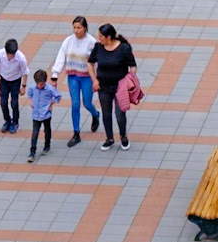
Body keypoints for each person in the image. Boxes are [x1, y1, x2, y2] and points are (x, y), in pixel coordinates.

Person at [50, 16, 101, 145]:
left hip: (87, 77)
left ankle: (95, 114)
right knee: (75, 104)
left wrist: (98, 78)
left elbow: (98, 61)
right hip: (73, 76)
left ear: (85, 28)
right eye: (74, 27)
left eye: (79, 28)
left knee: (87, 103)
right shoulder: (68, 41)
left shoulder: (92, 42)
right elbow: (61, 56)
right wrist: (55, 74)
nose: (76, 30)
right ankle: (76, 132)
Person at [89, 22, 138, 149]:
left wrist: (130, 81)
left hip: (120, 87)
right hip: (103, 87)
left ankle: (123, 136)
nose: (99, 38)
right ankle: (109, 138)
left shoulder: (123, 48)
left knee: (120, 114)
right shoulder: (98, 47)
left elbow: (132, 66)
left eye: (101, 36)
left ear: (109, 37)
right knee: (106, 113)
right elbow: (90, 63)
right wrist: (94, 80)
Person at [0, 37, 29, 134]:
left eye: (12, 55)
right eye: (9, 54)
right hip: (4, 80)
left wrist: (23, 86)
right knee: (3, 102)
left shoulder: (21, 59)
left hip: (15, 81)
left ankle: (15, 122)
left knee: (14, 103)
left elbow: (25, 72)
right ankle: (7, 120)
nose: (10, 57)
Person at [27, 69, 62, 163]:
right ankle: (32, 152)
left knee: (47, 130)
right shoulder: (32, 88)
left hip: (46, 114)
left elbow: (58, 96)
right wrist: (31, 101)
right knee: (35, 133)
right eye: (38, 84)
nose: (40, 86)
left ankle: (47, 145)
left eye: (41, 84)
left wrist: (51, 104)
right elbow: (29, 95)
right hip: (36, 114)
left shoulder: (49, 89)